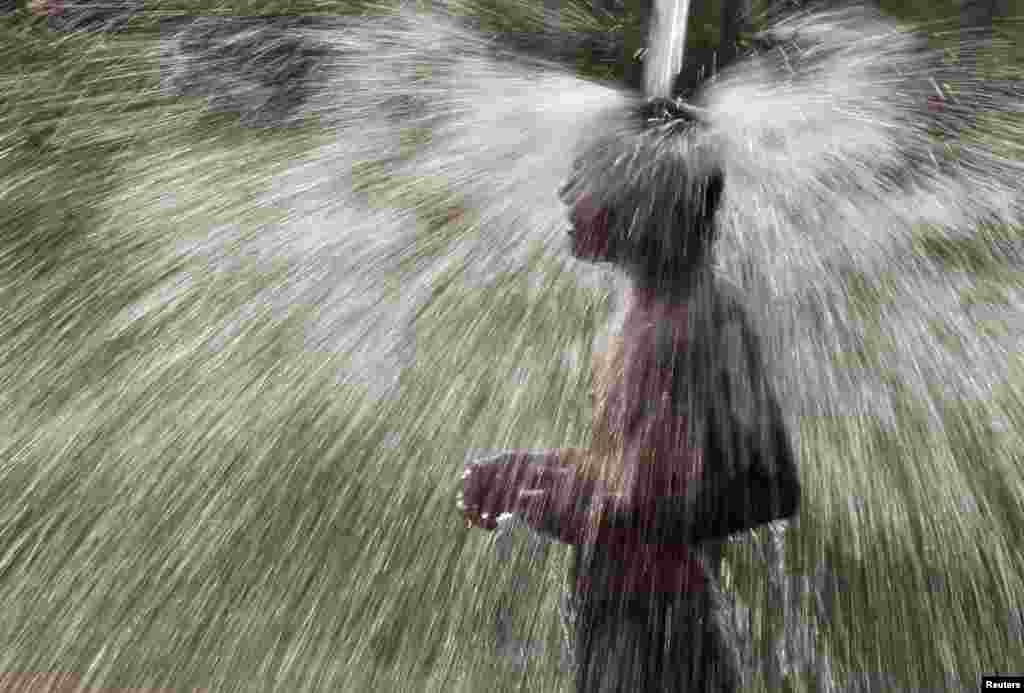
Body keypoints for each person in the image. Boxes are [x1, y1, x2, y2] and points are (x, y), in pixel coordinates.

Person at [457, 96, 801, 692]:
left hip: (647, 633)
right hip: (656, 616)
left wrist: (554, 502)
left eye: (584, 176)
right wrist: (538, 469)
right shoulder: (678, 311)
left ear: (640, 203)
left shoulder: (679, 329)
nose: (565, 193)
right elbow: (734, 484)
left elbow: (683, 503)